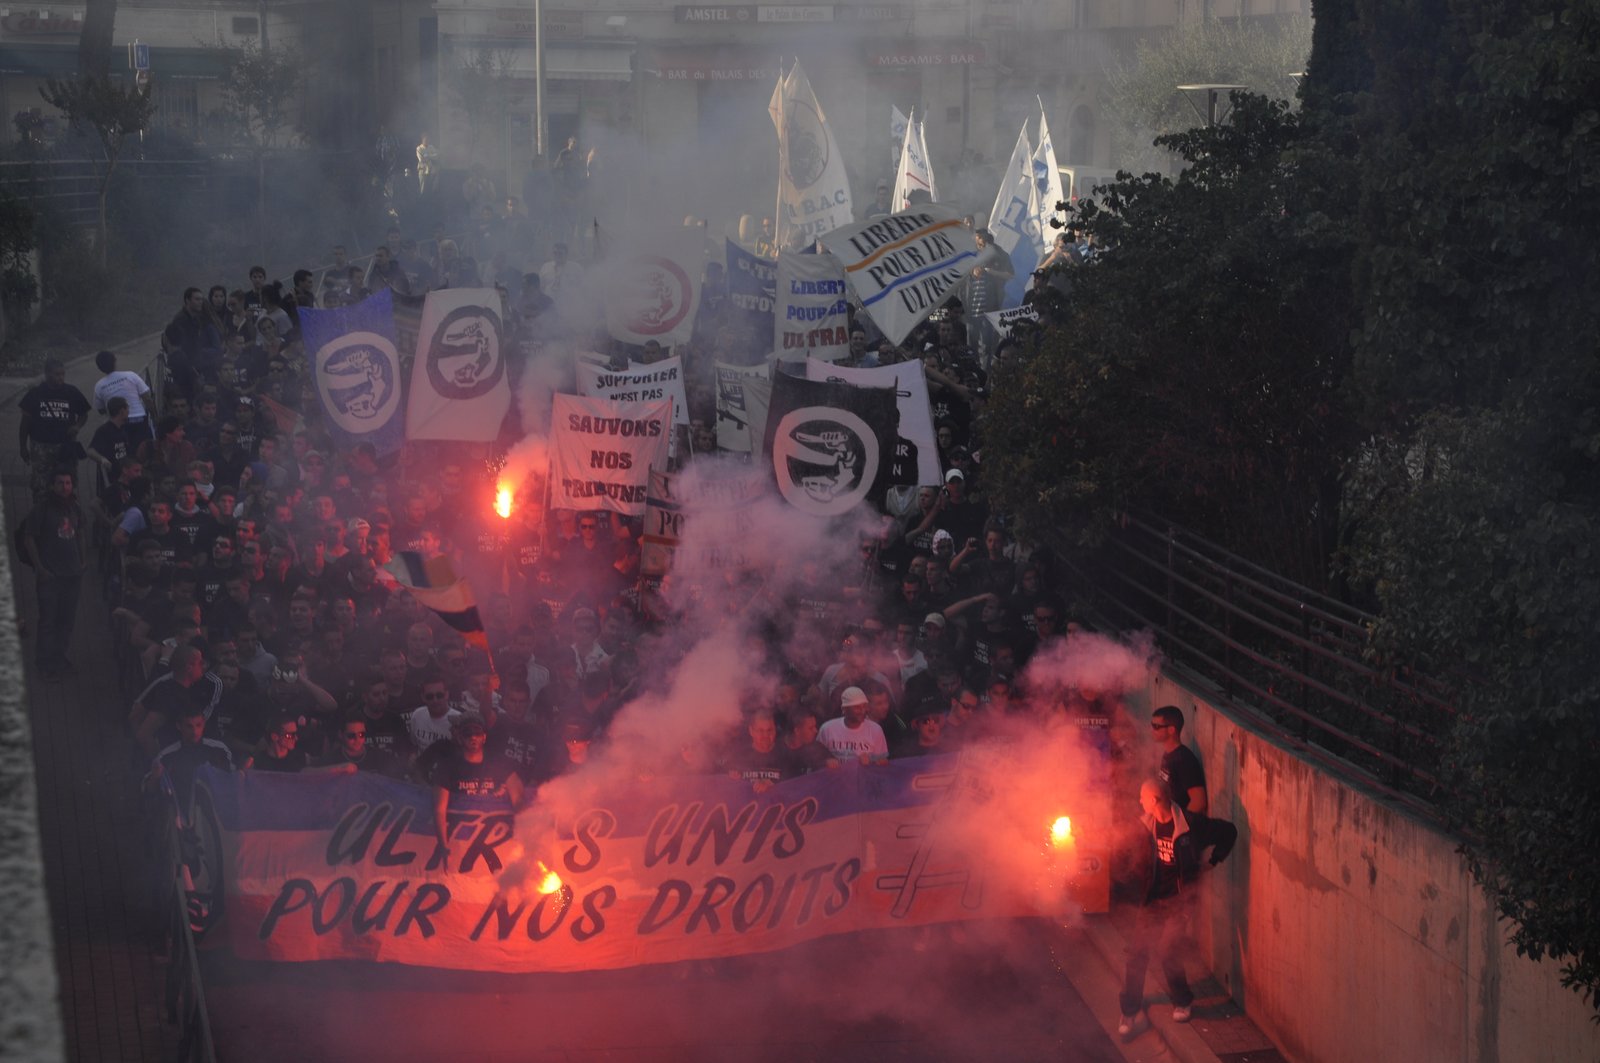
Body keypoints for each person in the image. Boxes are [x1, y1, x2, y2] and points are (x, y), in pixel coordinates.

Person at [1118, 779, 1236, 1037]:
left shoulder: (1191, 825)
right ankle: (1129, 1010)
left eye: (1142, 797)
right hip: (1153, 900)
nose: (1139, 801)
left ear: (1154, 800)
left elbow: (1229, 832)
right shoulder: (1145, 826)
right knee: (1136, 953)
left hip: (1179, 901)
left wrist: (1213, 861)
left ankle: (1183, 1001)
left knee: (1168, 949)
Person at [18, 468, 90, 679]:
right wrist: (40, 568)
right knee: (48, 621)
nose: (64, 487)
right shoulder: (41, 509)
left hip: (72, 575)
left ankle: (59, 658)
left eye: (68, 483)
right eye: (60, 483)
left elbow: (81, 532)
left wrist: (83, 560)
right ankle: (44, 663)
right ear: (52, 485)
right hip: (50, 576)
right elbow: (29, 538)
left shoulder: (75, 508)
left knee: (66, 621)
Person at [430, 716, 523, 854]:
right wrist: (444, 846)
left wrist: (522, 832)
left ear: (484, 737)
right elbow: (439, 810)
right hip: (459, 841)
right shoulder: (448, 766)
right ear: (460, 738)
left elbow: (518, 797)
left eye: (477, 733)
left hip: (495, 840)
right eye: (468, 733)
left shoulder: (498, 763)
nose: (473, 737)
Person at [19, 359, 90, 497]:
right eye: (57, 374)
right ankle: (42, 508)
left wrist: (77, 426)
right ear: (47, 374)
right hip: (41, 447)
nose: (61, 377)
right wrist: (22, 447)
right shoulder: (35, 394)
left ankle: (66, 508)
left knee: (67, 483)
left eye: (63, 374)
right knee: (41, 485)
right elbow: (25, 423)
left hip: (65, 446)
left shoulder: (71, 392)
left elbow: (84, 414)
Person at [1152, 705, 1208, 816]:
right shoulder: (1168, 754)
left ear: (1171, 730)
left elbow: (1199, 802)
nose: (1152, 730)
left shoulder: (1184, 760)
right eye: (1152, 725)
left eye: (1156, 726)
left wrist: (1178, 822)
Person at [92, 350, 154, 440]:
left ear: (99, 368)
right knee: (145, 446)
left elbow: (101, 410)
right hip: (138, 418)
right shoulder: (131, 375)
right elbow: (147, 399)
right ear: (115, 361)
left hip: (117, 424)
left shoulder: (99, 386)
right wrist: (155, 417)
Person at [817, 686, 888, 765]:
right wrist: (827, 761)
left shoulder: (875, 730)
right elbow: (816, 758)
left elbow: (883, 762)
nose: (862, 711)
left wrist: (871, 759)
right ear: (844, 709)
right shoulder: (827, 729)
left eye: (864, 706)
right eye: (857, 707)